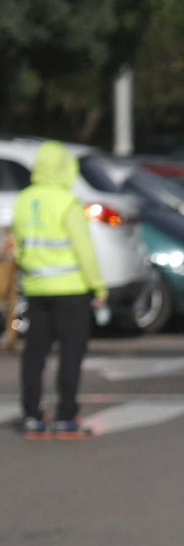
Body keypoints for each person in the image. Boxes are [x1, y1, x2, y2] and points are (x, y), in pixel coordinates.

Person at [14, 141, 106, 440]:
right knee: (70, 353)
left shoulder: (24, 201)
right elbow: (84, 251)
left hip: (36, 287)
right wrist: (98, 286)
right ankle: (66, 416)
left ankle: (31, 416)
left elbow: (19, 246)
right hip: (71, 289)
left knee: (34, 354)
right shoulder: (68, 203)